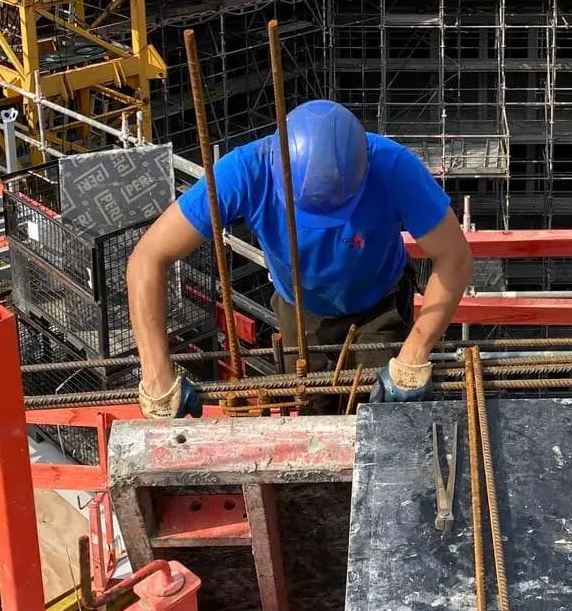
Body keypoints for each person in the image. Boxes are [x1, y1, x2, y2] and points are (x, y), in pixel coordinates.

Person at [128, 100, 474, 419]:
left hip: (379, 303)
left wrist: (416, 351)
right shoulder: (245, 172)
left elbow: (454, 256)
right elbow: (148, 257)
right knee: (310, 409)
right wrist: (156, 371)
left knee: (386, 414)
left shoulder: (394, 166)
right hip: (300, 310)